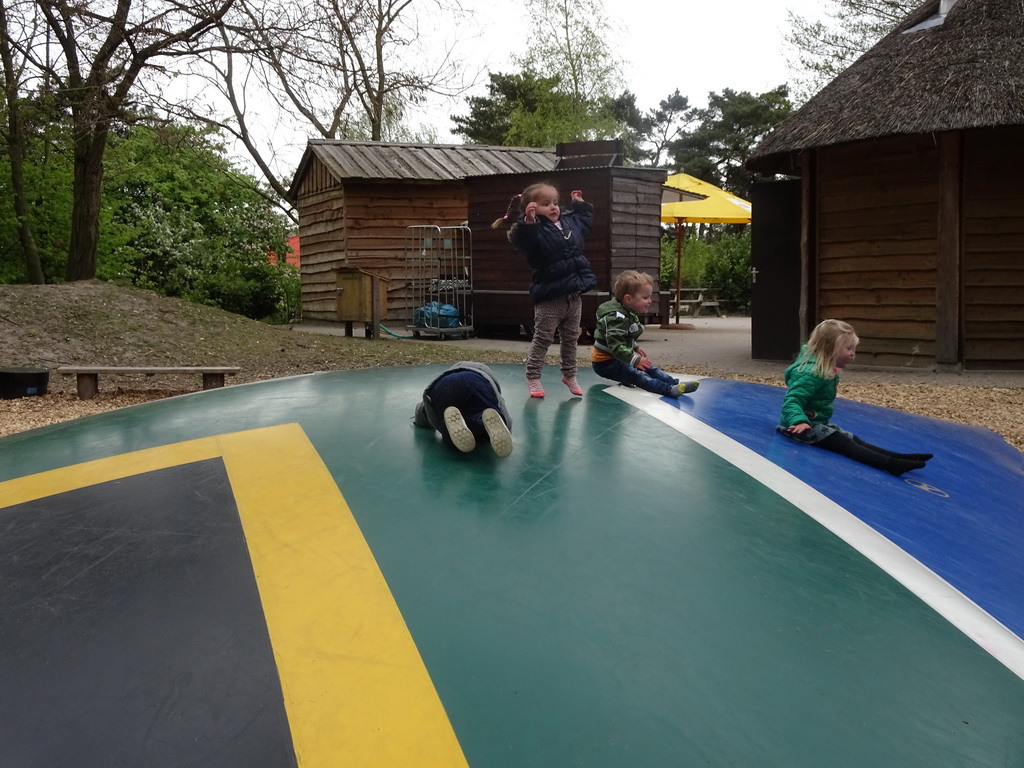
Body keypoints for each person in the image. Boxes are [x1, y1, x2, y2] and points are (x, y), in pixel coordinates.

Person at [778, 319, 932, 476]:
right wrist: (799, 421)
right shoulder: (810, 373)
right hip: (799, 427)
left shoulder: (825, 370)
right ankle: (890, 464)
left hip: (816, 422)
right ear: (831, 349)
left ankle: (897, 457)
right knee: (845, 444)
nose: (853, 353)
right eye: (848, 348)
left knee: (854, 439)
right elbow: (792, 400)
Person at [493, 182, 597, 398]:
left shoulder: (568, 222)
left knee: (571, 338)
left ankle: (570, 375)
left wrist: (579, 205)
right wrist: (529, 223)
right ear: (531, 208)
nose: (553, 207)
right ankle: (533, 377)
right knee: (543, 338)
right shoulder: (531, 231)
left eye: (556, 203)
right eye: (546, 204)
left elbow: (585, 221)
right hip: (550, 296)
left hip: (574, 294)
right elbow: (524, 240)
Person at [591, 270, 699, 398]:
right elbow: (615, 346)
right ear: (628, 299)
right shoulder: (616, 317)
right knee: (638, 375)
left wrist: (634, 346)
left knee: (649, 368)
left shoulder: (626, 312)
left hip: (618, 357)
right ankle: (668, 389)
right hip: (606, 363)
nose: (650, 301)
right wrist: (634, 359)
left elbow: (624, 335)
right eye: (645, 297)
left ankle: (675, 383)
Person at [413, 361, 513, 457]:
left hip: (444, 385)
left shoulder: (448, 375)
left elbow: (421, 411)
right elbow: (502, 412)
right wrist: (506, 425)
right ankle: (481, 421)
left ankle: (448, 430)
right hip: (477, 382)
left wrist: (420, 420)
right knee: (482, 412)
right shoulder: (489, 384)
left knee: (446, 421)